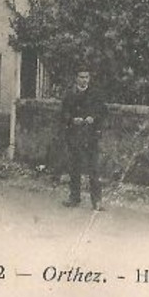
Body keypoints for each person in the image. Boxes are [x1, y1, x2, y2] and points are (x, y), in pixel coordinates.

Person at [60, 67, 107, 210]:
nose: (84, 80)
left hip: (91, 136)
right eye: (81, 77)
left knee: (94, 169)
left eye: (86, 77)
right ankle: (74, 198)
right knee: (75, 168)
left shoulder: (96, 94)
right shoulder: (69, 94)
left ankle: (97, 201)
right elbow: (63, 113)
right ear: (76, 78)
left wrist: (94, 118)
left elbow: (103, 112)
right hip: (75, 135)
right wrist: (72, 120)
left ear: (89, 78)